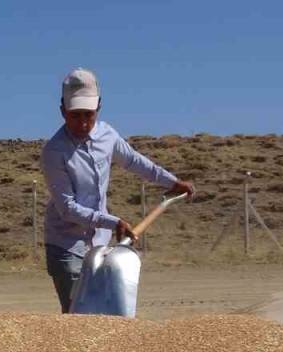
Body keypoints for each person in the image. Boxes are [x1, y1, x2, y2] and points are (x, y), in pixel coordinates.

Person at [40, 68, 196, 313]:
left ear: (99, 107)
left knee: (104, 314)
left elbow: (134, 161)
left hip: (99, 245)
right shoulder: (54, 152)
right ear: (62, 111)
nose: (82, 123)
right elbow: (68, 208)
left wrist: (171, 182)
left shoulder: (107, 135)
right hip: (67, 246)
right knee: (77, 317)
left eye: (89, 115)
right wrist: (113, 222)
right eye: (75, 115)